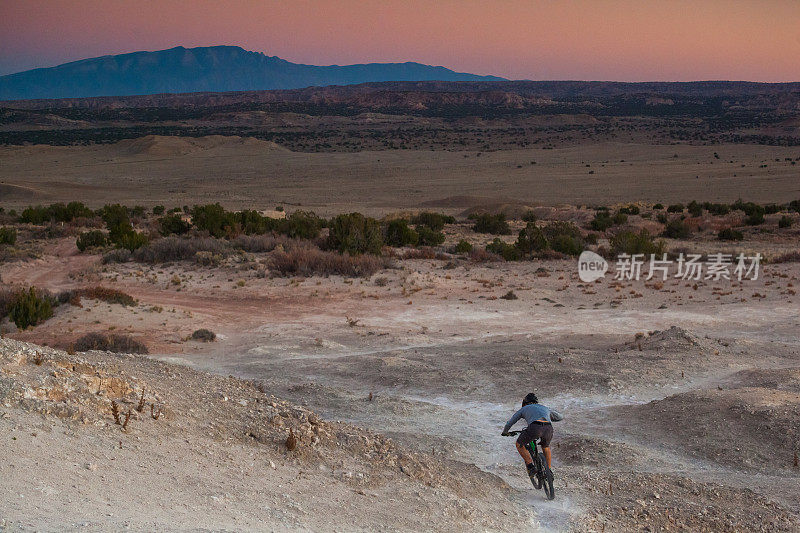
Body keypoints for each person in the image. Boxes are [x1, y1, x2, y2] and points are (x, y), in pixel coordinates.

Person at [501, 392, 563, 480]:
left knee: (519, 444)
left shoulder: (524, 408)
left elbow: (510, 422)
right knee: (545, 447)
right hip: (549, 428)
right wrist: (547, 418)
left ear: (524, 403)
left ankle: (530, 466)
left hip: (535, 428)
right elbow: (560, 417)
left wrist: (505, 432)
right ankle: (549, 471)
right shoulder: (544, 408)